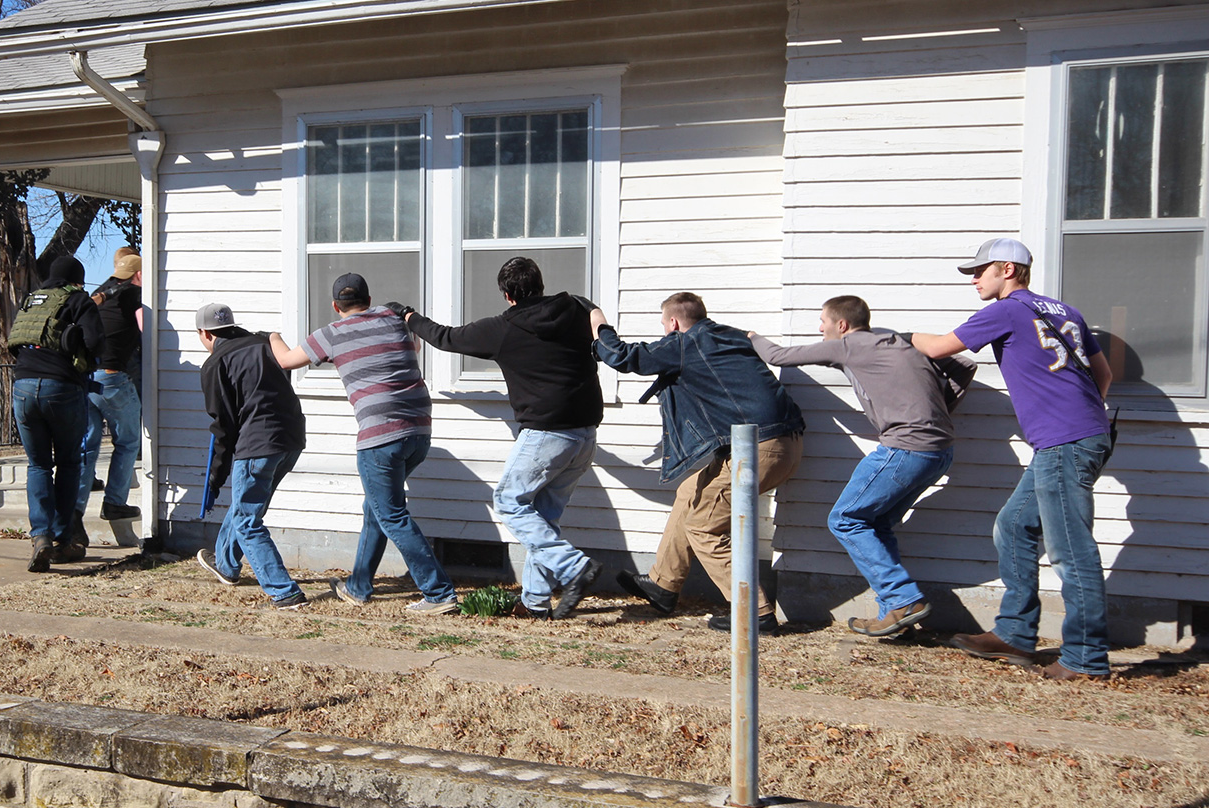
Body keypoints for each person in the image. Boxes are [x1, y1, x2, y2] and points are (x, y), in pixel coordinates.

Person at [911, 238, 1114, 681]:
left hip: (1066, 441)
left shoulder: (1006, 310)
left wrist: (901, 335)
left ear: (1007, 268)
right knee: (1015, 525)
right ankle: (1015, 635)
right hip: (1078, 436)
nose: (973, 280)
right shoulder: (1066, 311)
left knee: (1071, 551)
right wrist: (1083, 414)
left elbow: (938, 348)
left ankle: (1086, 657)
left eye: (979, 271)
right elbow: (1104, 374)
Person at [750, 295, 976, 637]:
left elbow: (778, 356)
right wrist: (935, 413)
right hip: (939, 452)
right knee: (877, 523)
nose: (820, 328)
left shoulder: (849, 345)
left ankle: (903, 599)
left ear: (841, 325)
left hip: (906, 449)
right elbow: (964, 366)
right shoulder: (897, 341)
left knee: (845, 519)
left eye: (822, 321)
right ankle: (895, 619)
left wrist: (750, 337)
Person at [394, 256, 603, 620]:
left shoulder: (504, 328)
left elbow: (445, 337)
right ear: (539, 285)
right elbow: (593, 312)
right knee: (543, 518)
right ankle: (535, 603)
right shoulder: (573, 309)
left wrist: (409, 316)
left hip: (546, 433)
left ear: (507, 295)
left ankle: (573, 567)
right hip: (584, 435)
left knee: (508, 501)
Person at [590, 292, 804, 633]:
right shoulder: (729, 335)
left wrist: (598, 324)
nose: (664, 333)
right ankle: (663, 585)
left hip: (758, 449)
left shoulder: (686, 343)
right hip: (784, 445)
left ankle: (756, 613)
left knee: (704, 525)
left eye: (664, 326)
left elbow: (623, 356)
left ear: (674, 323)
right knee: (690, 493)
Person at [269, 273, 458, 614]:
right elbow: (413, 347)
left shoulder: (331, 334)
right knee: (377, 509)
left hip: (380, 436)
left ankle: (439, 592)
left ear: (334, 306)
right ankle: (358, 586)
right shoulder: (392, 318)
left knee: (392, 514)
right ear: (368, 299)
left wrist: (271, 335)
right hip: (419, 432)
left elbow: (285, 360)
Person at [194, 302, 310, 609]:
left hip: (257, 444)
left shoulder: (215, 364)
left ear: (204, 333)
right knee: (246, 505)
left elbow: (223, 427)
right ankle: (226, 564)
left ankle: (284, 592)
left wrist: (216, 476)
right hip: (291, 438)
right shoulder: (264, 342)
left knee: (247, 520)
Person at [7, 255, 105, 572]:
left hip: (22, 387)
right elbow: (94, 342)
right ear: (78, 280)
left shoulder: (30, 301)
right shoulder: (78, 300)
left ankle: (40, 537)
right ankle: (64, 539)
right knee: (67, 464)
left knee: (38, 465)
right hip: (61, 388)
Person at [73, 251, 146, 536]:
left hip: (86, 377)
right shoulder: (133, 296)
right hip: (113, 378)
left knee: (88, 445)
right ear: (139, 275)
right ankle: (114, 502)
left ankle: (74, 512)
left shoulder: (98, 296)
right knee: (128, 441)